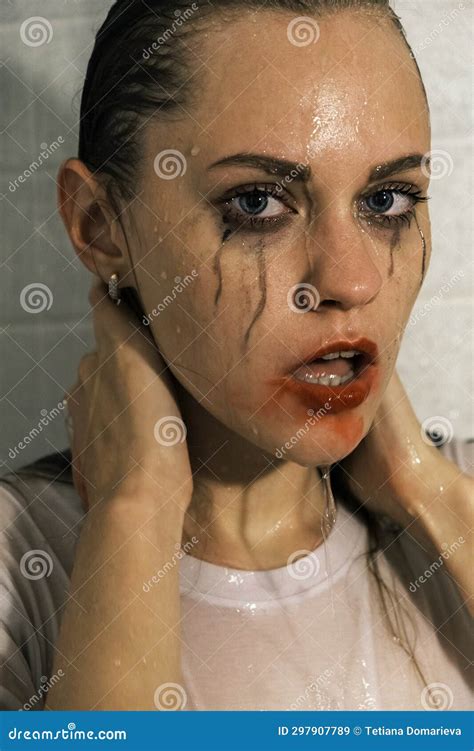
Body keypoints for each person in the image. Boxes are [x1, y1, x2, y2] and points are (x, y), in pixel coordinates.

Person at [0, 0, 472, 711]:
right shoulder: (19, 572)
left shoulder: (457, 495)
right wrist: (135, 517)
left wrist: (434, 495)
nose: (352, 280)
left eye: (387, 199)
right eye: (256, 203)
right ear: (100, 227)